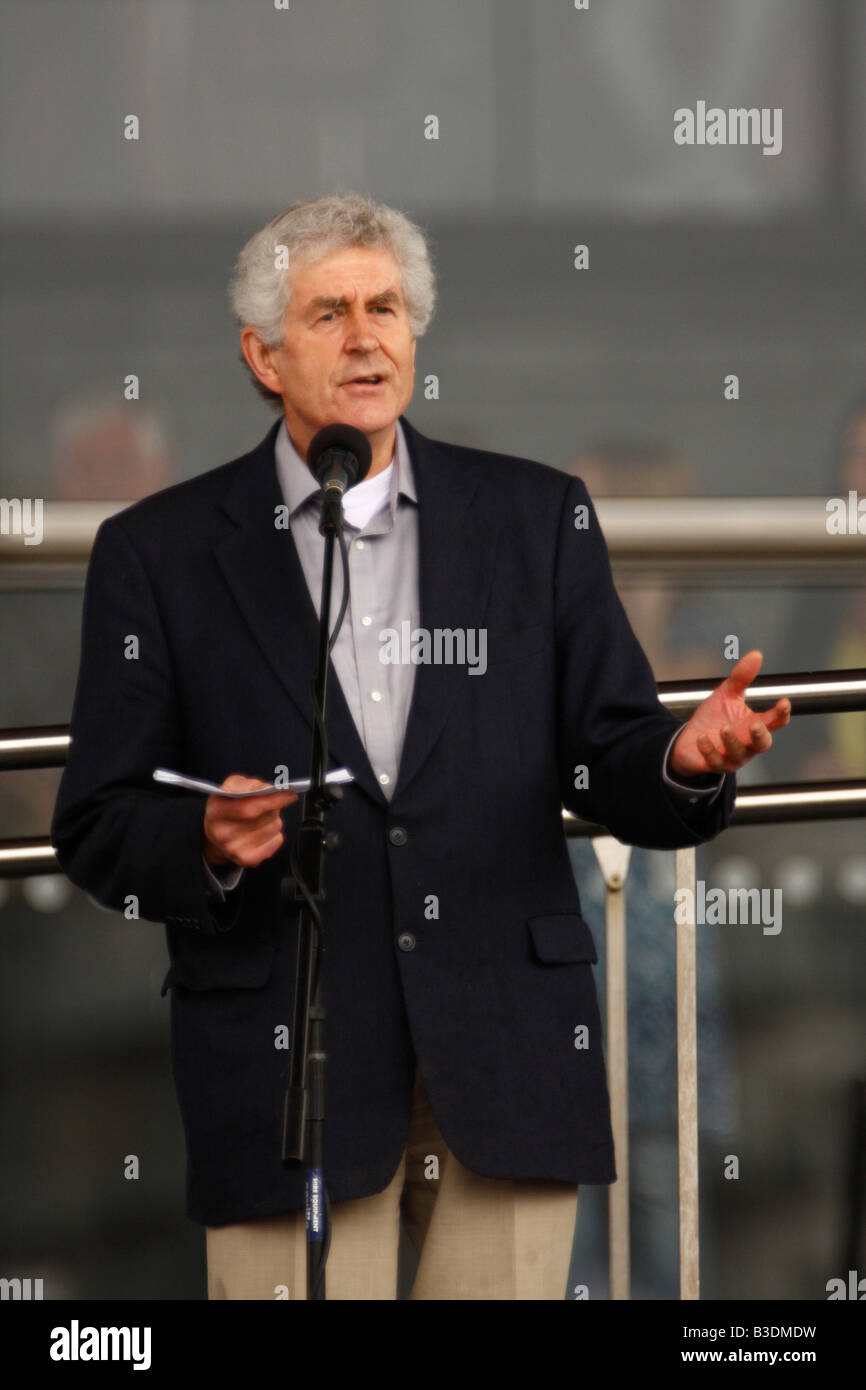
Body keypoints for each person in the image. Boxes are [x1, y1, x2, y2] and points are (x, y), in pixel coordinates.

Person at [50, 191, 790, 1300]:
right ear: (261, 354)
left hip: (503, 1048)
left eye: (386, 308)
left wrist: (682, 759)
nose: (364, 337)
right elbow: (99, 821)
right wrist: (201, 834)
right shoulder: (156, 553)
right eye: (329, 313)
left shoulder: (534, 520)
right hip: (285, 1066)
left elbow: (607, 750)